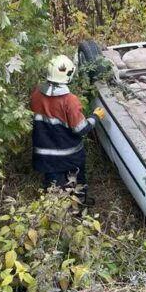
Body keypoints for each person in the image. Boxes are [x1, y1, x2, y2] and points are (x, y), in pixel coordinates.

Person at [30, 54, 105, 204]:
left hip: (44, 156)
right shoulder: (69, 100)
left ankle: (56, 216)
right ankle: (79, 209)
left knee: (53, 187)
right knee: (77, 182)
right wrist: (95, 117)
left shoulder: (37, 92)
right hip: (69, 156)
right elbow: (81, 129)